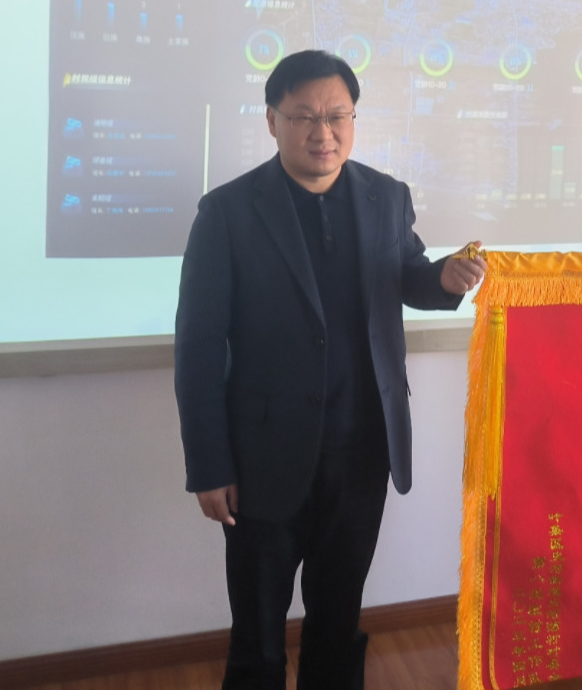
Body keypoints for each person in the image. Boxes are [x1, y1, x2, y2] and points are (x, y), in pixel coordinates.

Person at [174, 49, 487, 689]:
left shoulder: (385, 196)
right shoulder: (227, 213)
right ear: (272, 121)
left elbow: (406, 273)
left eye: (337, 115)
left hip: (361, 452)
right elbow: (199, 346)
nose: (324, 132)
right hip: (262, 460)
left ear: (353, 118)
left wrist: (444, 278)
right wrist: (209, 465)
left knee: (338, 623)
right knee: (258, 638)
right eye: (305, 117)